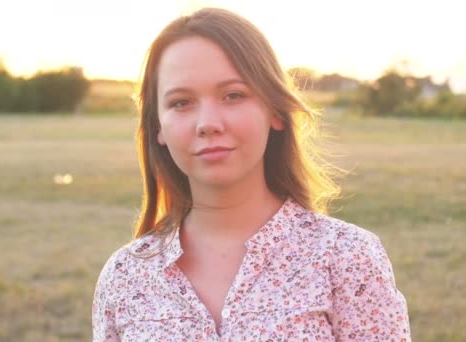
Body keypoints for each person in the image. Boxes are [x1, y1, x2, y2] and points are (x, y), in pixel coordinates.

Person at [92, 7, 410, 341]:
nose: (208, 123)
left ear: (274, 110)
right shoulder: (125, 277)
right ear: (158, 127)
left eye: (233, 95)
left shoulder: (346, 257)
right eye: (181, 102)